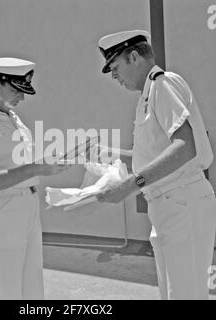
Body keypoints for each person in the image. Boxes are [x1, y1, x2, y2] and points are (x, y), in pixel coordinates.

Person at [96, 30, 216, 299]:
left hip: (183, 203)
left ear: (134, 57)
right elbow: (153, 156)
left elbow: (185, 146)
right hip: (170, 206)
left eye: (115, 67)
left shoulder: (163, 84)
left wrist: (130, 185)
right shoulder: (148, 95)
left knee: (184, 295)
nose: (114, 76)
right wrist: (107, 153)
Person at [0, 57, 69, 300]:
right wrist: (35, 169)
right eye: (16, 90)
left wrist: (49, 163)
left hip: (27, 206)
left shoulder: (14, 119)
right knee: (9, 287)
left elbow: (20, 164)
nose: (22, 97)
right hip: (1, 210)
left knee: (32, 286)